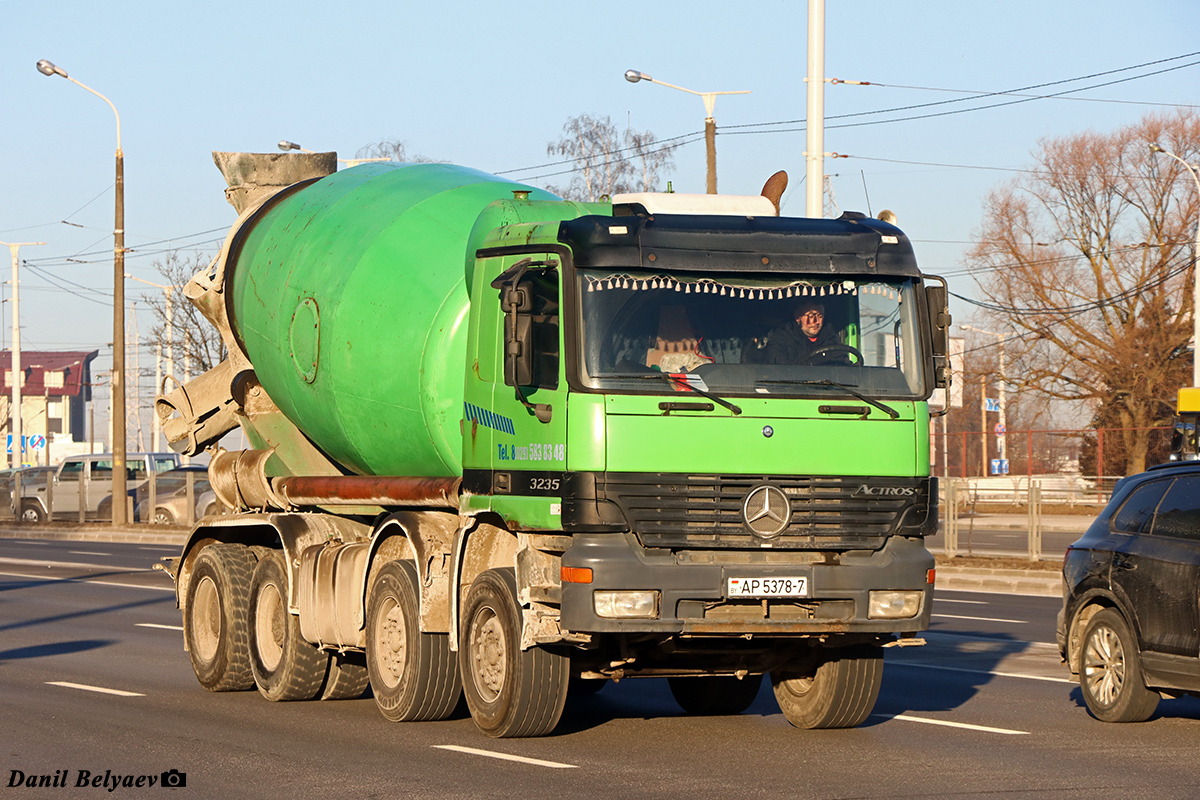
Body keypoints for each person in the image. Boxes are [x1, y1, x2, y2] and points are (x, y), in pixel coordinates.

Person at [762, 299, 842, 364]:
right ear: (797, 317)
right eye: (811, 316)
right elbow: (777, 365)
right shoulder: (781, 338)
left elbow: (842, 365)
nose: (815, 321)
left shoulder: (831, 338)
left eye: (820, 316)